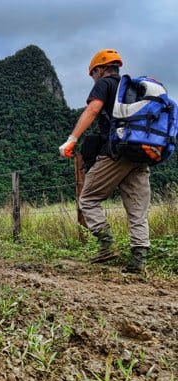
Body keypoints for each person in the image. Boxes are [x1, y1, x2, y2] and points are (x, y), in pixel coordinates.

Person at [59, 49, 150, 273]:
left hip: (117, 152)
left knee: (88, 198)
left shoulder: (106, 83)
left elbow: (92, 110)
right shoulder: (133, 89)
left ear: (99, 69)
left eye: (93, 74)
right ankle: (139, 260)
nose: (93, 78)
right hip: (140, 153)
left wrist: (71, 140)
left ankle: (107, 245)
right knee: (137, 209)